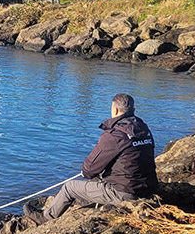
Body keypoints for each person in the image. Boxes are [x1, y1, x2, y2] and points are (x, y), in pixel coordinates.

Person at [23, 93, 157, 225]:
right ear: (132, 110)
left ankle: (46, 217)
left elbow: (89, 168)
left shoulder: (114, 135)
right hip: (147, 188)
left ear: (115, 109)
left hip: (125, 192)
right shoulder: (143, 128)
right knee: (96, 177)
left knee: (69, 187)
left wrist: (88, 172)